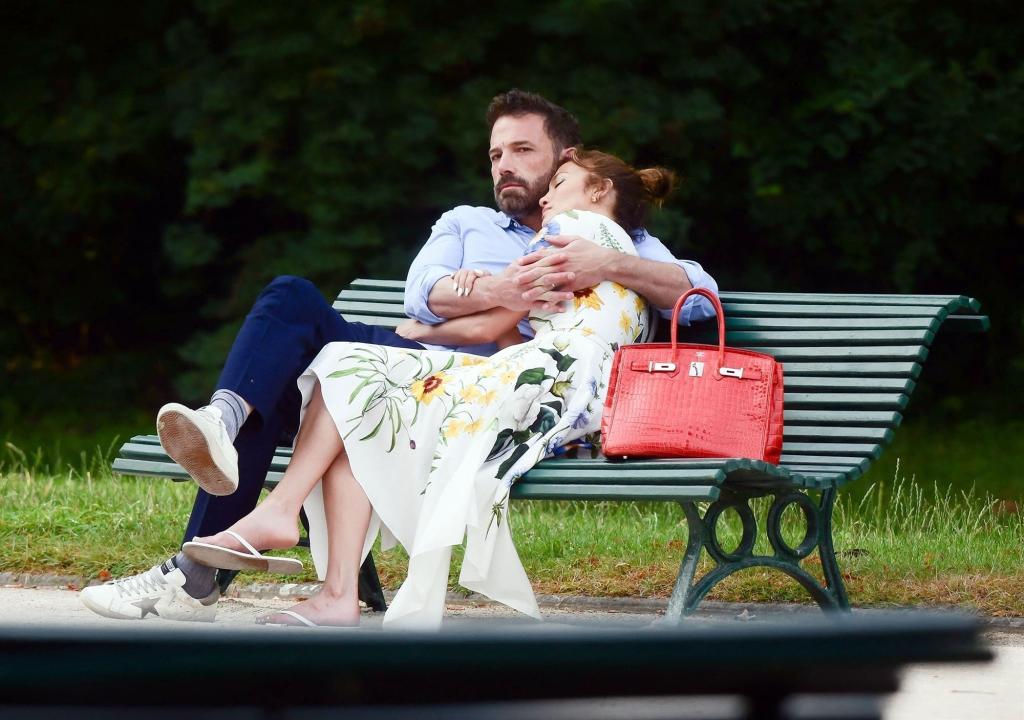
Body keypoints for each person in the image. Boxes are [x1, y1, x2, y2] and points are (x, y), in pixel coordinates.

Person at [80, 90, 718, 623]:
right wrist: (483, 293)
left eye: (523, 150)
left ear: (566, 159)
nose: (506, 167)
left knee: (314, 376)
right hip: (428, 362)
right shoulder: (467, 222)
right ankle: (222, 420)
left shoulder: (618, 239)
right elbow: (423, 288)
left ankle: (196, 571)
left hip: (483, 380)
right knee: (291, 300)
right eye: (495, 154)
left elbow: (696, 298)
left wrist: (604, 265)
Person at [182, 149, 679, 628]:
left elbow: (492, 325)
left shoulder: (570, 233)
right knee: (364, 393)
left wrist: (426, 331)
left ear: (600, 189)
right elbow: (513, 329)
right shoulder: (627, 253)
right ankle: (317, 567)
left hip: (546, 383)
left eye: (560, 185)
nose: (547, 199)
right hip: (570, 393)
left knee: (350, 367)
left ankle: (292, 529)